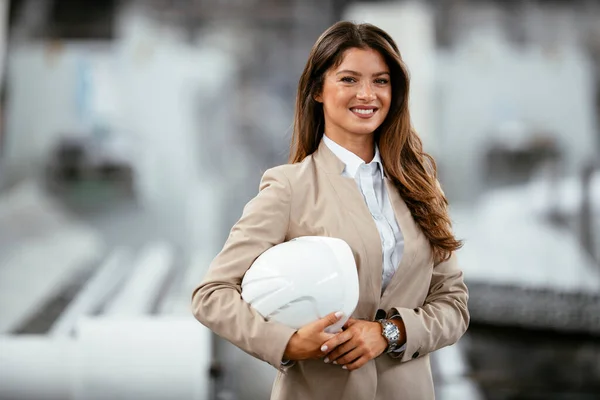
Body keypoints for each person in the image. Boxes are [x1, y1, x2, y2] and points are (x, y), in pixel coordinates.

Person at [191, 21, 469, 400]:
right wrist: (288, 343)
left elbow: (452, 303)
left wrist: (391, 333)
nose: (367, 94)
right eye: (349, 79)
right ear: (318, 90)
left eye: (381, 81)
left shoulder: (421, 187)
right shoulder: (290, 187)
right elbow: (212, 295)